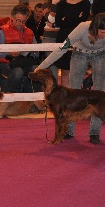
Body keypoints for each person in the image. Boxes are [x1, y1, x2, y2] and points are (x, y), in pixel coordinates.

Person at [35, 13, 105, 144]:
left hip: (100, 55)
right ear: (94, 27)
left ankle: (94, 133)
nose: (103, 35)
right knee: (72, 90)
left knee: (100, 93)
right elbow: (61, 49)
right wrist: (41, 67)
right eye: (102, 32)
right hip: (79, 54)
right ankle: (68, 130)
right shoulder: (81, 28)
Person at [0, 4, 40, 93]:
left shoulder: (30, 32)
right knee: (18, 72)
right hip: (6, 63)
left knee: (38, 71)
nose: (20, 24)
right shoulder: (2, 32)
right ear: (12, 17)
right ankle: (5, 95)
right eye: (18, 20)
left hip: (24, 62)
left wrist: (31, 52)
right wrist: (8, 53)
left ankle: (37, 100)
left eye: (23, 21)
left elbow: (36, 54)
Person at [52, 0, 91, 87]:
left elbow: (82, 21)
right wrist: (75, 18)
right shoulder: (61, 4)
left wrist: (67, 19)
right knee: (65, 70)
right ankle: (66, 98)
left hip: (80, 38)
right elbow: (59, 22)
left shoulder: (85, 3)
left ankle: (77, 95)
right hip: (64, 37)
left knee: (78, 69)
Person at [41, 0, 64, 80]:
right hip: (49, 37)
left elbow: (65, 20)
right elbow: (51, 19)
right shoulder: (45, 5)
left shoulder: (65, 3)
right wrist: (54, 4)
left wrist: (54, 24)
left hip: (62, 36)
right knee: (52, 66)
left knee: (64, 66)